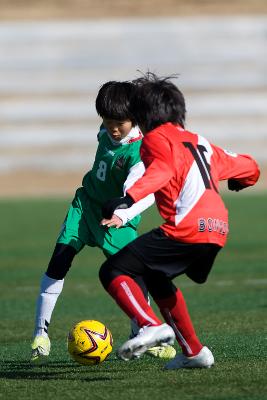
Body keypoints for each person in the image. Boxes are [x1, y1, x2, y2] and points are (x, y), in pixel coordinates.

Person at [99, 72, 260, 369]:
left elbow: (162, 169)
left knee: (113, 270)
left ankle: (149, 325)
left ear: (143, 115)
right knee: (156, 277)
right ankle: (195, 352)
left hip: (186, 228)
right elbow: (248, 165)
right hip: (217, 230)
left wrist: (129, 198)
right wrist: (244, 180)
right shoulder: (201, 142)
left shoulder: (155, 139)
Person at [30, 80, 176, 362]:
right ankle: (41, 333)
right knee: (59, 261)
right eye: (107, 121)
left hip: (115, 218)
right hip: (85, 208)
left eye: (119, 122)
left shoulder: (141, 151)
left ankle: (143, 334)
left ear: (134, 119)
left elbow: (143, 190)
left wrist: (123, 214)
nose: (112, 128)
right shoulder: (106, 131)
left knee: (136, 276)